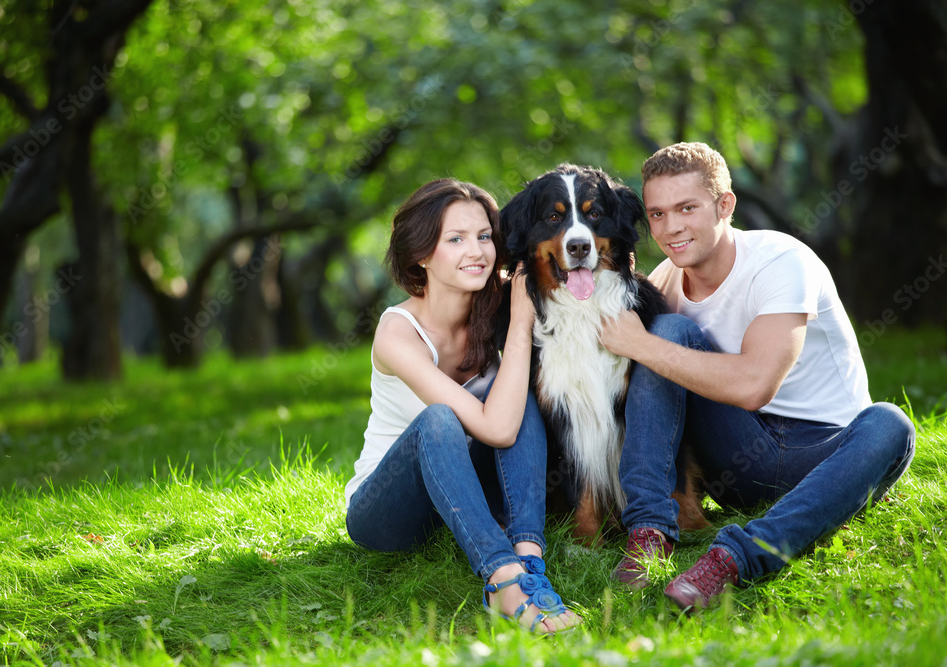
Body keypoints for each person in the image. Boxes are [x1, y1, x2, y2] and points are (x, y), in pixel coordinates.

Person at [600, 142, 915, 612]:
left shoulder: (780, 261)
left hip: (824, 455)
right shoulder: (666, 279)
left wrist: (642, 344)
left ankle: (733, 558)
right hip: (736, 460)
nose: (671, 228)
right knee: (671, 330)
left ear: (725, 205)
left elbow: (753, 386)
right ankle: (648, 531)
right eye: (658, 214)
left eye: (688, 208)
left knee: (891, 424)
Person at [345, 179, 581, 633]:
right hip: (389, 513)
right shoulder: (397, 333)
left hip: (466, 497)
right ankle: (504, 581)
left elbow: (588, 287)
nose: (476, 251)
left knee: (516, 395)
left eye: (483, 237)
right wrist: (521, 319)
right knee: (440, 419)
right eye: (455, 240)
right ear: (421, 253)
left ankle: (529, 559)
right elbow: (497, 431)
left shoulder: (496, 299)